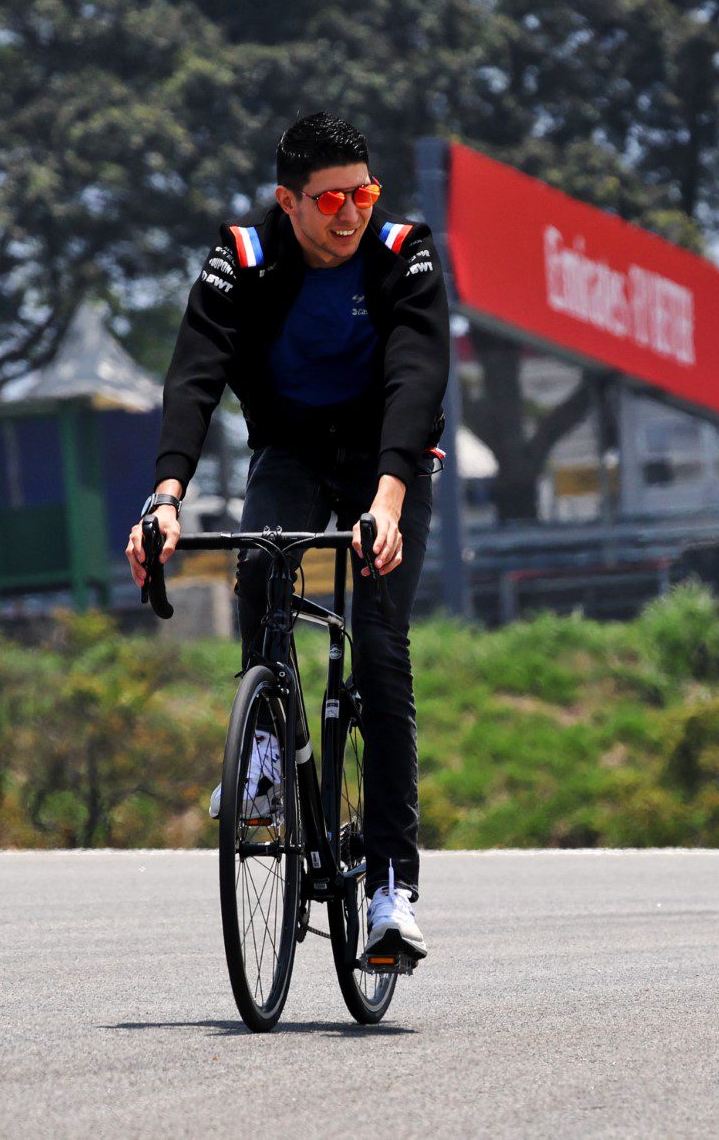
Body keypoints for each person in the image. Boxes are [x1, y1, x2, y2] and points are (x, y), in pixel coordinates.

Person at [125, 112, 449, 969]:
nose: (353, 214)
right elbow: (195, 373)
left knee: (379, 647)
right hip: (293, 449)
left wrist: (386, 497)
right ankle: (266, 765)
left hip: (389, 456)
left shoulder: (402, 251)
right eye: (332, 199)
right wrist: (165, 496)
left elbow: (418, 372)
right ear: (288, 202)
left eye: (364, 193)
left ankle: (390, 891)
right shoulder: (244, 258)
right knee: (261, 568)